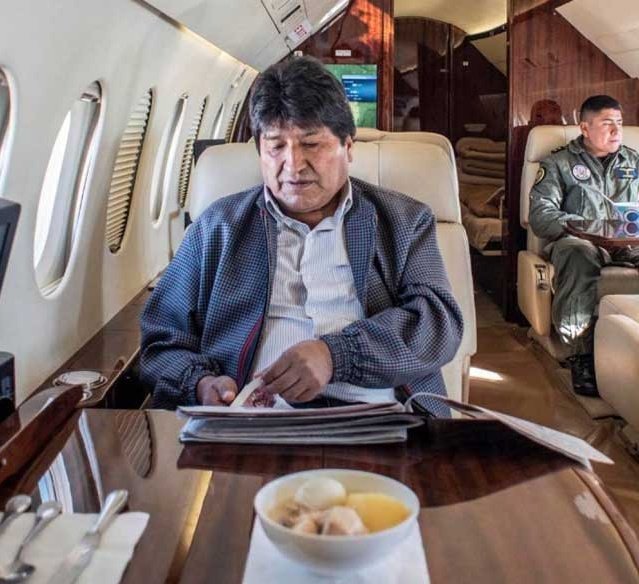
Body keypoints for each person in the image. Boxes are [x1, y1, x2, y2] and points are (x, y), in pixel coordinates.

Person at [139, 56, 463, 416]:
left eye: (311, 144)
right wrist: (200, 383)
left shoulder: (403, 221)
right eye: (276, 146)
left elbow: (438, 324)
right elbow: (161, 341)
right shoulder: (217, 228)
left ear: (348, 147)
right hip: (251, 423)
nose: (293, 165)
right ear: (259, 152)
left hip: (379, 419)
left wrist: (335, 356)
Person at [529, 95, 639, 396]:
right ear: (585, 128)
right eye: (607, 124)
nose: (616, 131)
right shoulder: (558, 163)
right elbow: (541, 216)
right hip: (580, 242)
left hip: (629, 242)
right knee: (577, 254)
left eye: (619, 123)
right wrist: (587, 228)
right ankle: (581, 355)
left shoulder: (634, 162)